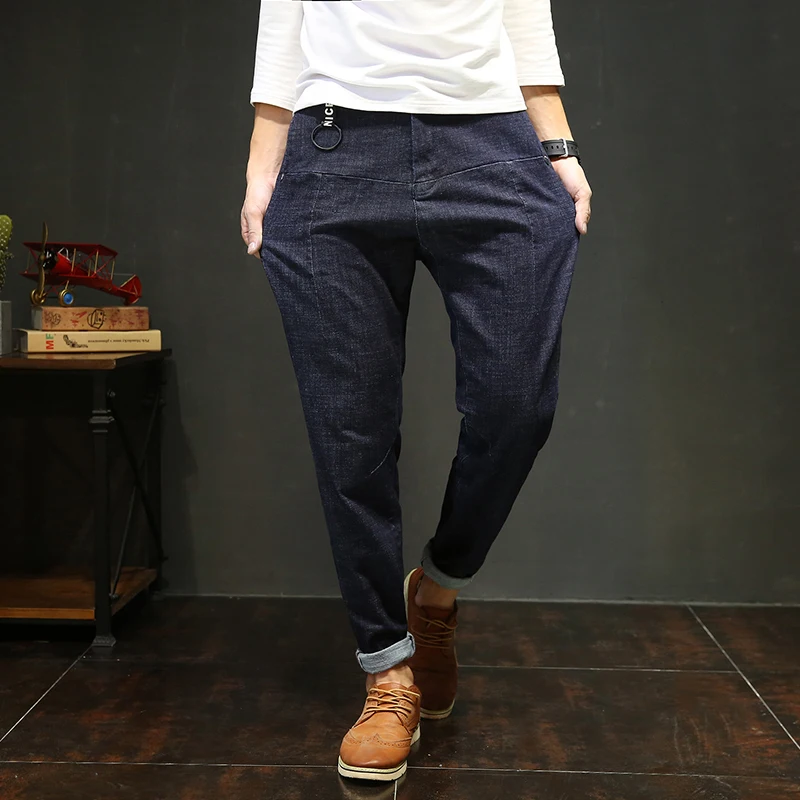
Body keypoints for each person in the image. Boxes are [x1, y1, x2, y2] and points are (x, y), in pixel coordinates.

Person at [241, 0, 591, 783]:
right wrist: (264, 165)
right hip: (334, 149)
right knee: (349, 431)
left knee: (516, 405)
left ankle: (437, 588)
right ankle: (387, 671)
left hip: (492, 143)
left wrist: (558, 145)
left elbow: (522, 14)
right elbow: (284, 20)